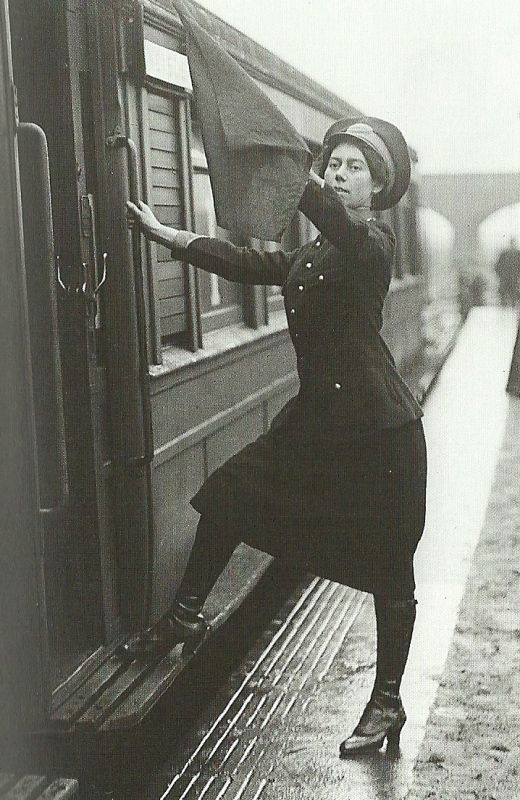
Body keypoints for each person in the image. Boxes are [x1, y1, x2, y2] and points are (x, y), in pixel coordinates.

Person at [122, 117, 427, 757]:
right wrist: (171, 236)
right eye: (334, 164)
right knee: (226, 494)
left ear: (376, 189)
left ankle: (387, 703)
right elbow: (249, 261)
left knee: (390, 571)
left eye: (353, 170)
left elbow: (332, 219)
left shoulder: (370, 242)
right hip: (317, 426)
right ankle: (184, 616)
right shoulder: (313, 253)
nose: (340, 177)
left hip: (379, 433)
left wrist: (297, 173)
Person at [495, 237, 520, 306]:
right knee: (505, 291)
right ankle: (505, 303)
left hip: (514, 277)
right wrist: (500, 274)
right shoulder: (504, 253)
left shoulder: (518, 253)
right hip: (506, 277)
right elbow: (498, 265)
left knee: (513, 291)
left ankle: (512, 303)